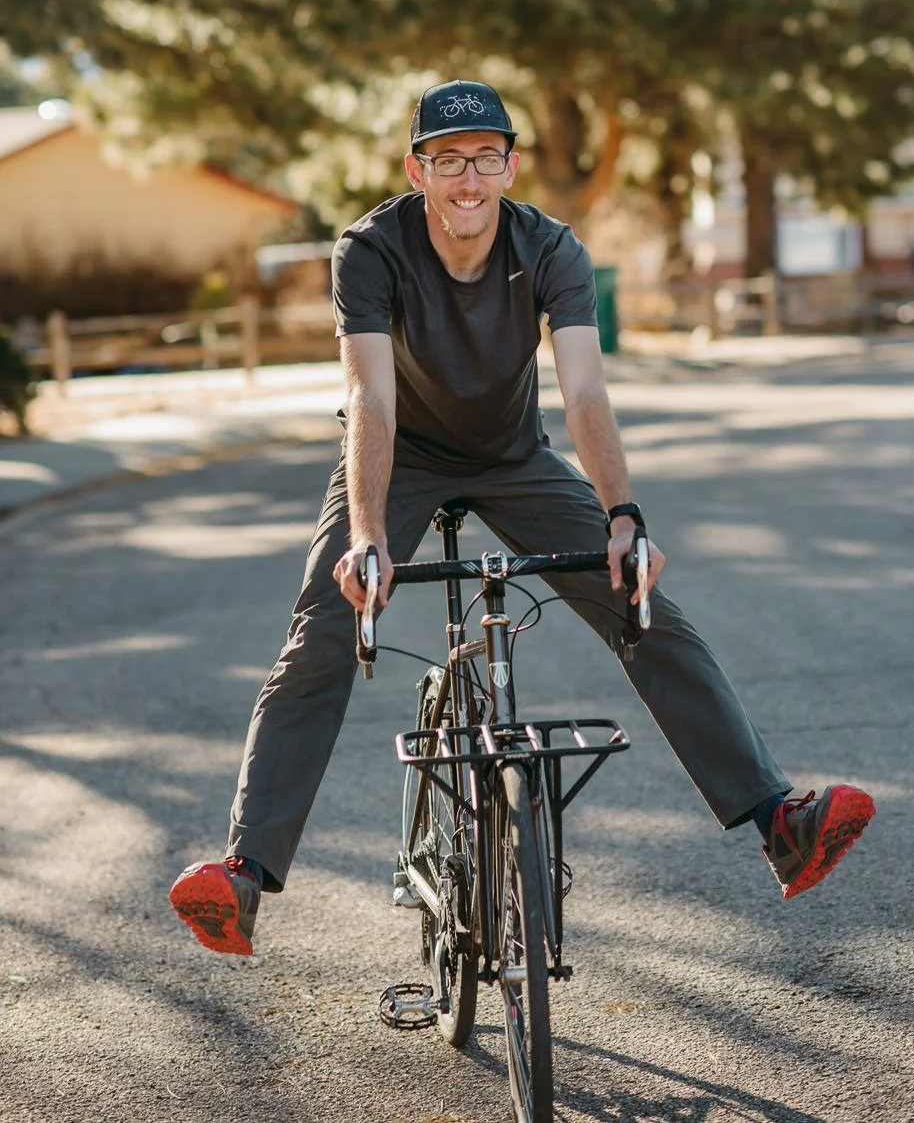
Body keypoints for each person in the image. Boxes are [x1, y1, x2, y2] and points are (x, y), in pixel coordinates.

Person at [169, 79, 875, 956]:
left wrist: (624, 516)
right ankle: (242, 875)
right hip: (403, 459)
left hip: (514, 457)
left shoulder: (549, 248)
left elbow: (583, 390)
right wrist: (367, 536)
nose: (468, 179)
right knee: (324, 628)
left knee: (642, 601)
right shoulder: (370, 249)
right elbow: (370, 401)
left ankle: (778, 820)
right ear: (416, 168)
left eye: (486, 158)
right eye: (448, 160)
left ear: (510, 165)